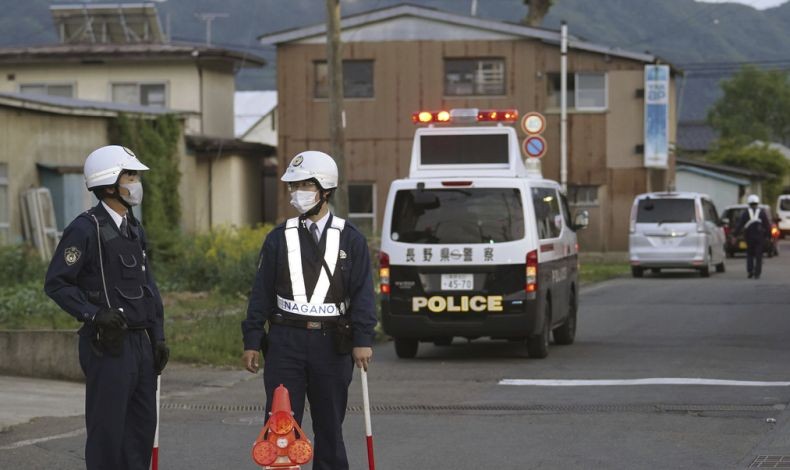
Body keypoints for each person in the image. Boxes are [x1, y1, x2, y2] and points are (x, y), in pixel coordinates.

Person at [241, 150, 376, 470]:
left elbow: (362, 292)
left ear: (325, 190)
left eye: (304, 185)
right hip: (285, 341)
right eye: (293, 186)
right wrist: (252, 339)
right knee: (280, 424)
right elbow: (261, 292)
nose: (296, 193)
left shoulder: (350, 238)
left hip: (332, 343)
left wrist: (363, 339)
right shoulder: (279, 237)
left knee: (330, 426)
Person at [44, 145, 169, 470]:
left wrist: (158, 337)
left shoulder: (134, 228)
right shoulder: (85, 228)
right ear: (109, 184)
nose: (137, 182)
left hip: (141, 344)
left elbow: (149, 289)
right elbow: (57, 283)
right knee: (108, 434)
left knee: (141, 431)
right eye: (131, 176)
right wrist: (94, 314)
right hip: (109, 346)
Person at [733, 194, 771, 279]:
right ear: (757, 202)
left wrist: (735, 235)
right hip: (759, 237)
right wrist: (769, 236)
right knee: (759, 255)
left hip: (749, 237)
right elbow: (767, 225)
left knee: (750, 254)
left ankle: (750, 271)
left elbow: (739, 225)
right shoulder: (762, 212)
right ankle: (757, 273)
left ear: (749, 203)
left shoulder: (745, 213)